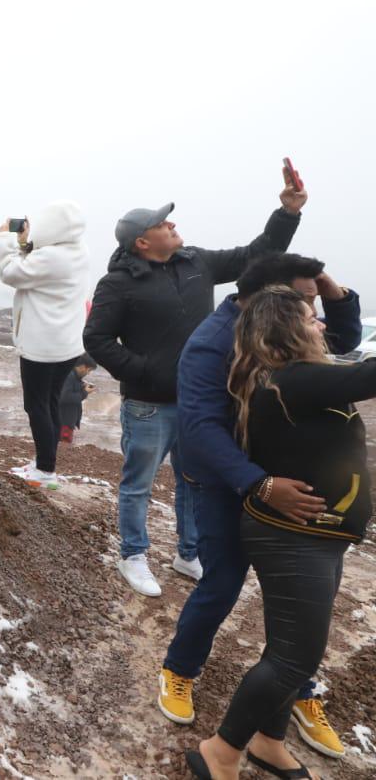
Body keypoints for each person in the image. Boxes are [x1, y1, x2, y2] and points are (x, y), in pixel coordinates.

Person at [158, 254, 360, 758]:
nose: (313, 311)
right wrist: (259, 484)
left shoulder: (286, 330)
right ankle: (180, 668)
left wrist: (331, 291)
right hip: (225, 481)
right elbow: (200, 430)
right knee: (224, 581)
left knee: (295, 601)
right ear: (270, 300)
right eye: (306, 300)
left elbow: (347, 344)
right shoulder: (210, 343)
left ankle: (294, 689)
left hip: (278, 480)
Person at [84, 173, 304, 597]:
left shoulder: (196, 262)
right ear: (142, 242)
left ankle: (188, 553)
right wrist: (144, 371)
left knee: (194, 481)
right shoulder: (118, 283)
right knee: (138, 483)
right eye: (162, 224)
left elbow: (256, 255)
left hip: (200, 403)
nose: (172, 225)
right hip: (148, 404)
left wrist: (288, 212)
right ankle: (132, 554)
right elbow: (96, 339)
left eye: (169, 221)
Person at [0, 202, 90, 487]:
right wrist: (25, 244)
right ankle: (44, 463)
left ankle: (45, 470)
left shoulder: (51, 258)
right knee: (49, 402)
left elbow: (11, 273)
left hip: (42, 346)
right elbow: (36, 265)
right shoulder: (77, 251)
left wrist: (5, 239)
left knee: (36, 405)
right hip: (65, 346)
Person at [59, 354, 99, 443]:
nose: (88, 373)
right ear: (82, 366)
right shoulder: (70, 376)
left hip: (66, 420)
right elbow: (64, 397)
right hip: (64, 421)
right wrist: (85, 392)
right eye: (88, 370)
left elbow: (68, 392)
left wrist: (81, 387)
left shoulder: (74, 376)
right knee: (63, 447)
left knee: (63, 447)